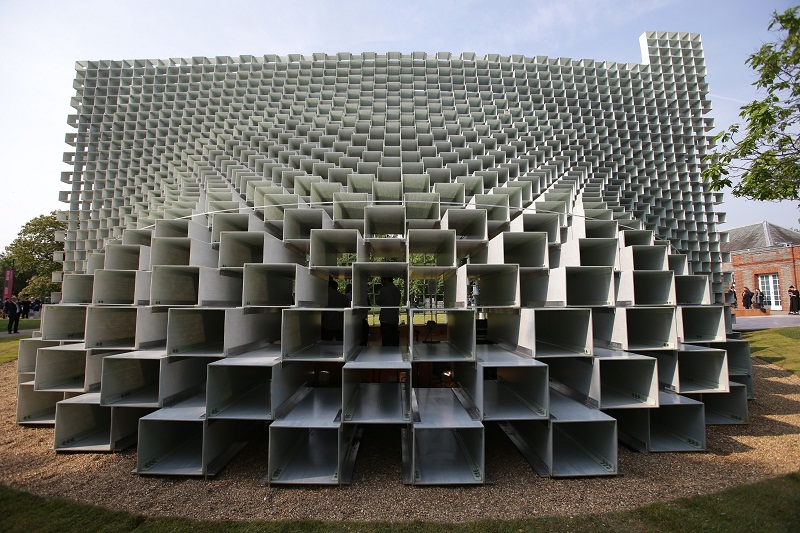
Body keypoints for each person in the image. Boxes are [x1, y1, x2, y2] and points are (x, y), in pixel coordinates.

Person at [376, 276, 401, 346]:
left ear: (386, 279)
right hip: (394, 319)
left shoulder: (384, 290)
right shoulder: (397, 290)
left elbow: (378, 301)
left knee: (386, 340)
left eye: (382, 280)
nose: (381, 282)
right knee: (394, 340)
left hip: (385, 319)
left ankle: (386, 355)